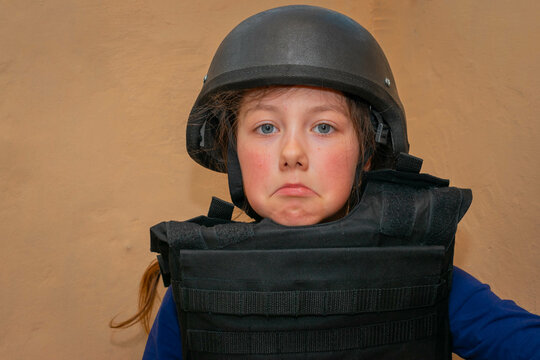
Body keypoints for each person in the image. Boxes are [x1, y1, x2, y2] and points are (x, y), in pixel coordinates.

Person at [110, 5, 540, 360]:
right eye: (265, 128)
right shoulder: (196, 287)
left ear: (367, 152)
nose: (292, 153)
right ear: (232, 151)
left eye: (323, 127)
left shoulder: (425, 277)